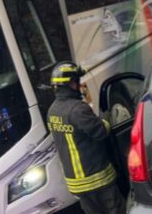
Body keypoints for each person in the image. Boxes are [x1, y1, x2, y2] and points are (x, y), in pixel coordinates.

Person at [47, 61, 125, 214]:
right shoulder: (77, 109)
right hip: (96, 179)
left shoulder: (52, 111)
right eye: (77, 81)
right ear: (71, 84)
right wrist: (105, 118)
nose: (79, 84)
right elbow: (101, 131)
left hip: (76, 184)